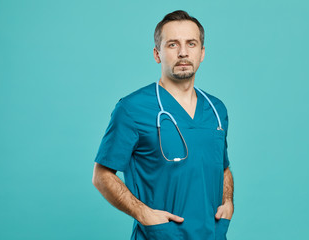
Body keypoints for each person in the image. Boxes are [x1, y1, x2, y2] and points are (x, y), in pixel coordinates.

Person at [92, 10, 234, 240]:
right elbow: (101, 175)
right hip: (161, 235)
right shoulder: (132, 108)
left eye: (191, 43)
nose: (183, 52)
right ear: (157, 54)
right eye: (172, 45)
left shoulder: (217, 109)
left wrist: (228, 202)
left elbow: (223, 168)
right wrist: (143, 213)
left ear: (202, 53)